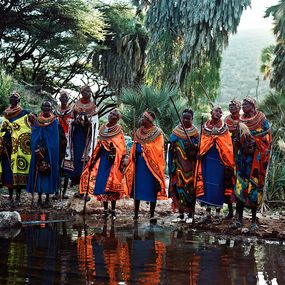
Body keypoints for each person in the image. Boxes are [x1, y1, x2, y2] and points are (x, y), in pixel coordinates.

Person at [79, 109, 126, 219]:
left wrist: (113, 151)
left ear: (117, 119)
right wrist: (93, 161)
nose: (111, 115)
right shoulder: (103, 128)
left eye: (115, 115)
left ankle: (113, 211)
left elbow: (121, 148)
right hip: (103, 160)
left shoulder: (119, 131)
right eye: (111, 113)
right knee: (103, 185)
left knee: (112, 187)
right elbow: (100, 146)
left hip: (114, 161)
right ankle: (105, 211)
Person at [233, 97, 272, 230]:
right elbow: (237, 138)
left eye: (246, 104)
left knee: (254, 188)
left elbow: (267, 139)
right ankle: (239, 218)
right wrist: (237, 142)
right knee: (240, 187)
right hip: (243, 160)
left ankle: (254, 220)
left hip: (256, 161)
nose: (243, 106)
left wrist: (255, 142)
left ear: (253, 105)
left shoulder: (261, 119)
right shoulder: (241, 120)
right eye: (242, 104)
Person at [124, 111, 166, 222]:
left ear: (148, 120)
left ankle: (152, 214)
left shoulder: (158, 133)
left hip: (151, 166)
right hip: (139, 164)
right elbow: (135, 144)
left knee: (151, 189)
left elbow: (158, 149)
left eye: (143, 118)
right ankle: (136, 213)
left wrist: (144, 148)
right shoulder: (138, 132)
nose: (141, 120)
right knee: (137, 188)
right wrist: (134, 151)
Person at [196, 106, 235, 224]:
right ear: (211, 112)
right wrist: (200, 151)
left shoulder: (224, 128)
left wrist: (216, 139)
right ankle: (207, 214)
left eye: (219, 111)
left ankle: (218, 214)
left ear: (222, 114)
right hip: (207, 160)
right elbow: (202, 142)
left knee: (218, 185)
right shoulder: (205, 126)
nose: (217, 113)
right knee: (207, 186)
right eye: (215, 111)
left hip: (219, 162)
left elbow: (227, 146)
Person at [63, 85, 98, 192]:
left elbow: (95, 122)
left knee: (85, 157)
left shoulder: (93, 107)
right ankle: (75, 179)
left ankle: (84, 185)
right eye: (85, 91)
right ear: (81, 92)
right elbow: (71, 120)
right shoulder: (75, 105)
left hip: (86, 136)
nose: (88, 92)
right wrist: (74, 122)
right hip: (76, 135)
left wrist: (88, 123)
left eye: (89, 91)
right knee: (76, 156)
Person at [0, 91, 32, 206]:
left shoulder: (24, 113)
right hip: (7, 145)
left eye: (15, 98)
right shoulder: (6, 114)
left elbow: (27, 128)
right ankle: (10, 197)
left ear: (19, 100)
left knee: (18, 170)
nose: (13, 100)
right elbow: (2, 128)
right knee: (8, 170)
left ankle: (18, 197)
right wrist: (5, 130)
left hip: (19, 147)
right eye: (11, 98)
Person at [168, 109, 199, 223]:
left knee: (190, 189)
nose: (185, 120)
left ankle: (190, 214)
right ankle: (181, 214)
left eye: (188, 118)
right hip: (178, 166)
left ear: (192, 119)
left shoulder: (195, 132)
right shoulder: (176, 132)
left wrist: (195, 146)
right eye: (184, 117)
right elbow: (171, 148)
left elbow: (199, 148)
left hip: (191, 166)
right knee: (178, 189)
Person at [26, 101, 60, 207]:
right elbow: (34, 136)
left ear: (51, 108)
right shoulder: (37, 121)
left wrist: (47, 147)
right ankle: (39, 197)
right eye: (44, 106)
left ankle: (47, 198)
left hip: (50, 153)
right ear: (41, 107)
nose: (46, 108)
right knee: (39, 172)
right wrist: (38, 146)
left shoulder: (54, 122)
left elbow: (55, 139)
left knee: (49, 171)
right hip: (39, 151)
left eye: (48, 106)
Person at [224, 99, 241, 219]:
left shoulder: (244, 119)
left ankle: (239, 213)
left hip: (241, 157)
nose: (231, 107)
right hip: (228, 156)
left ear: (239, 107)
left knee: (239, 184)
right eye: (230, 105)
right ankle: (230, 212)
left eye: (234, 105)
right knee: (228, 184)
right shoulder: (226, 120)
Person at [55, 90, 72, 199]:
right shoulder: (56, 111)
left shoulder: (72, 111)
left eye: (65, 97)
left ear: (68, 99)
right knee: (57, 167)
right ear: (60, 99)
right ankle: (57, 192)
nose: (64, 99)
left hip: (69, 140)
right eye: (62, 97)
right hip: (57, 140)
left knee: (66, 166)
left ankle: (64, 192)